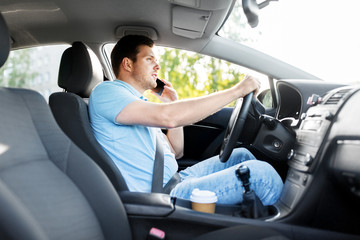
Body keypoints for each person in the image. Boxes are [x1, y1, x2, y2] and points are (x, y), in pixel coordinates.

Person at [88, 35, 283, 205]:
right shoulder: (108, 92)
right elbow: (169, 117)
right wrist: (236, 91)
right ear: (127, 64)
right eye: (149, 59)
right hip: (162, 195)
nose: (158, 66)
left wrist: (172, 100)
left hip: (177, 179)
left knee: (241, 156)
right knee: (262, 176)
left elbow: (176, 151)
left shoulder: (137, 103)